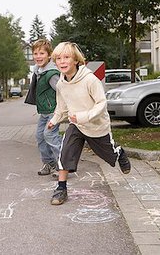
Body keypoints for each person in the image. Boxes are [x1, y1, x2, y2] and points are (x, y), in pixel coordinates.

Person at [47, 42, 131, 205]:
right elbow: (62, 107)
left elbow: (101, 103)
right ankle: (61, 188)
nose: (62, 61)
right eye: (58, 58)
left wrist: (84, 116)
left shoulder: (90, 80)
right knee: (65, 152)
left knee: (107, 155)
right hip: (76, 125)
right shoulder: (61, 84)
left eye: (66, 57)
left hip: (96, 125)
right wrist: (54, 120)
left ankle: (119, 152)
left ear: (76, 60)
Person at [25, 39, 62, 176]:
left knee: (50, 135)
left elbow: (62, 91)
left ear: (49, 55)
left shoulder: (51, 73)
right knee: (40, 136)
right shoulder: (38, 71)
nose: (38, 56)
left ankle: (62, 165)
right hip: (44, 112)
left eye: (42, 53)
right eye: (35, 53)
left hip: (54, 111)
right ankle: (49, 163)